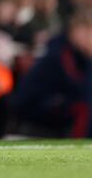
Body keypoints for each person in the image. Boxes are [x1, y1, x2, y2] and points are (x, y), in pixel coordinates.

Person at [13, 9, 92, 138]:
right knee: (83, 107)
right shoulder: (60, 52)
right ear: (73, 31)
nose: (89, 37)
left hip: (58, 104)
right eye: (85, 30)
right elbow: (79, 88)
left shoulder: (79, 56)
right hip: (36, 107)